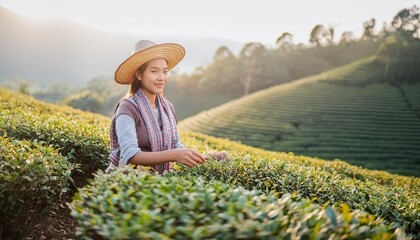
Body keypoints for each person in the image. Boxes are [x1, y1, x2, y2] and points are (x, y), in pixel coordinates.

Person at [106, 40, 219, 174]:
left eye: (165, 72)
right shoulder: (127, 108)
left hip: (158, 184)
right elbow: (130, 155)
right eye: (154, 71)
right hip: (128, 183)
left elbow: (177, 147)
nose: (161, 77)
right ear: (139, 74)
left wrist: (208, 157)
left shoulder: (168, 108)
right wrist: (174, 155)